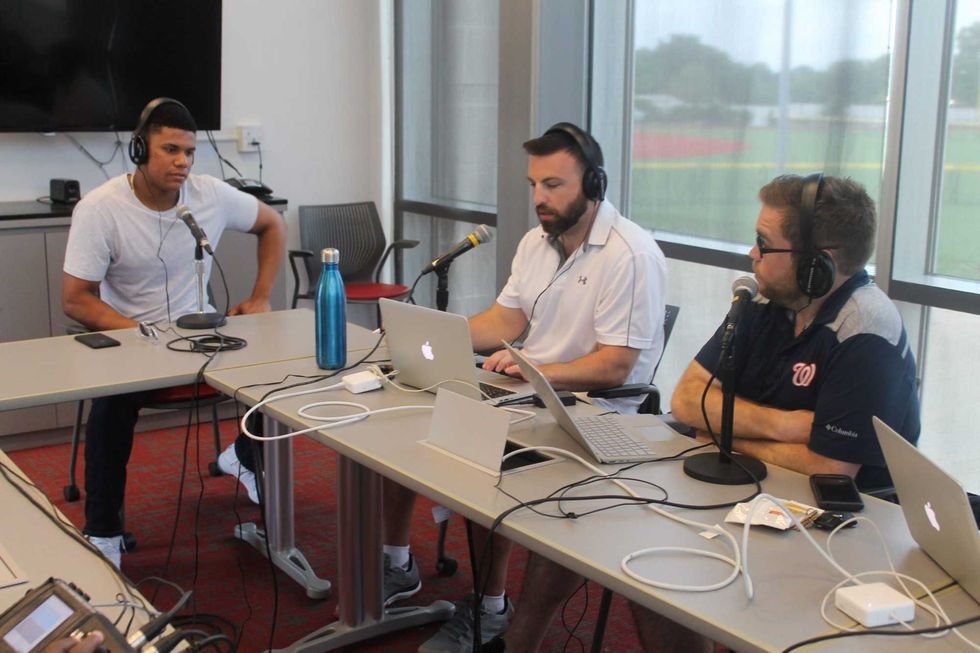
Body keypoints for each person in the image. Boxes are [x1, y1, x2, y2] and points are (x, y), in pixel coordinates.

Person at [482, 173, 921, 652]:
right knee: (582, 507)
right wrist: (785, 427)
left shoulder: (866, 330)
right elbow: (687, 399)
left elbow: (831, 466)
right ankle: (517, 645)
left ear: (819, 264)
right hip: (758, 490)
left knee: (664, 573)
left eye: (763, 243)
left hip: (839, 529)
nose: (751, 255)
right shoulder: (762, 301)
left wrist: (721, 436)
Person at [381, 123, 668, 653]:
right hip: (533, 395)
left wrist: (536, 373)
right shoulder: (538, 242)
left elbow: (618, 367)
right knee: (409, 427)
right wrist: (445, 336)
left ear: (594, 184)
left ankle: (492, 610)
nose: (539, 197)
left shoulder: (630, 255)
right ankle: (407, 571)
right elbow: (506, 321)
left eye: (553, 184)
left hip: (594, 414)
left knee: (475, 454)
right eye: (533, 184)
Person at [62, 97, 286, 568]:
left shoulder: (209, 195)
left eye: (188, 152)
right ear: (140, 149)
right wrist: (143, 333)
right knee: (110, 409)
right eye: (169, 150)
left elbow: (273, 224)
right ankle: (103, 530)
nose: (182, 162)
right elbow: (76, 298)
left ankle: (243, 457)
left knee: (281, 377)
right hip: (131, 342)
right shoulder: (100, 209)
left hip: (201, 336)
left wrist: (261, 295)